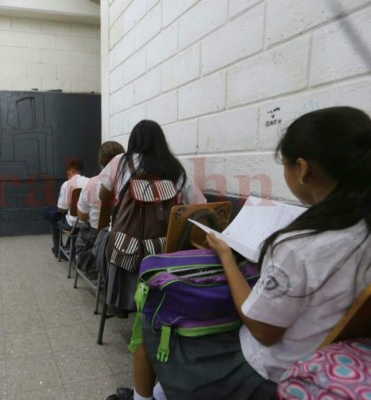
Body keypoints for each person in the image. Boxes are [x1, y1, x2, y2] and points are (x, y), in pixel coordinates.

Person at [140, 106, 371, 400]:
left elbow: (263, 330)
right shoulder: (358, 227)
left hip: (267, 372)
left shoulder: (300, 244)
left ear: (303, 169)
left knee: (152, 314)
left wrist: (225, 255)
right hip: (328, 358)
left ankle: (148, 395)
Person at [101, 120, 206, 400]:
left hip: (126, 251)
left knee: (105, 244)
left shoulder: (119, 163)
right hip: (162, 255)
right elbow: (197, 206)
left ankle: (120, 306)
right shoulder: (174, 168)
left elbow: (102, 193)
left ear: (133, 140)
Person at [75, 141, 125, 271]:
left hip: (94, 235)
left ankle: (88, 261)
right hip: (120, 236)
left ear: (100, 162)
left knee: (84, 228)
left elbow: (82, 215)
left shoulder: (91, 184)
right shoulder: (127, 185)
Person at [50, 159, 89, 258]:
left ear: (71, 170)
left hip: (73, 223)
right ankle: (69, 247)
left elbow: (62, 209)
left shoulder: (67, 184)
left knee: (54, 220)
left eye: (68, 171)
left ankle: (58, 251)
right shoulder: (90, 182)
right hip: (88, 222)